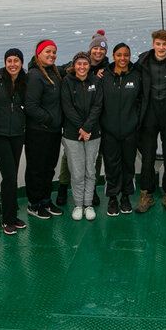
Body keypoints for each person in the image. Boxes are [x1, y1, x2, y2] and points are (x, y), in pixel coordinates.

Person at [55, 29, 108, 207]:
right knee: (68, 158)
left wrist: (88, 127)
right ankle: (63, 186)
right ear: (90, 49)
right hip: (74, 126)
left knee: (95, 158)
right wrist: (81, 127)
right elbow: (57, 69)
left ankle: (91, 191)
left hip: (96, 123)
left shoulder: (105, 69)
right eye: (95, 49)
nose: (98, 52)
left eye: (102, 49)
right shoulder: (74, 68)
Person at [135, 29, 166, 213]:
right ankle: (146, 195)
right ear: (153, 44)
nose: (161, 47)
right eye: (158, 44)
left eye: (165, 44)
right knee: (147, 157)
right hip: (148, 114)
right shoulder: (142, 62)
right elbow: (124, 72)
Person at [100, 42, 144, 216]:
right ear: (113, 56)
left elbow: (141, 101)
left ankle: (125, 196)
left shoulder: (136, 76)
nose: (123, 58)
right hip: (109, 130)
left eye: (126, 55)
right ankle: (112, 198)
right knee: (111, 165)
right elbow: (98, 103)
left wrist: (135, 122)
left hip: (130, 130)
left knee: (128, 165)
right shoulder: (104, 76)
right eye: (119, 55)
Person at [61, 51, 104, 220]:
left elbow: (97, 106)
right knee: (77, 172)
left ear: (89, 66)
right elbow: (67, 107)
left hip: (92, 133)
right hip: (73, 134)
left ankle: (88, 205)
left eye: (85, 64)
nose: (82, 67)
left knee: (90, 171)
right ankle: (78, 204)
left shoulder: (96, 81)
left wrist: (87, 128)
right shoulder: (67, 82)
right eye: (79, 64)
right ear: (74, 65)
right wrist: (81, 128)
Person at [24, 40, 64, 219]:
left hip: (53, 131)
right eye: (48, 52)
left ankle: (46, 200)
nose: (51, 55)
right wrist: (49, 119)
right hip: (38, 132)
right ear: (38, 53)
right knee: (36, 169)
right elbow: (31, 106)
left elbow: (70, 68)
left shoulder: (53, 72)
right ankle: (34, 203)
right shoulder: (34, 75)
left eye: (54, 52)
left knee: (49, 168)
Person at [0, 48, 28, 235]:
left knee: (11, 176)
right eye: (10, 61)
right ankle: (7, 219)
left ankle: (12, 216)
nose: (13, 64)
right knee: (9, 175)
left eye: (16, 61)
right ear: (5, 62)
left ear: (21, 63)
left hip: (17, 134)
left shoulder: (25, 80)